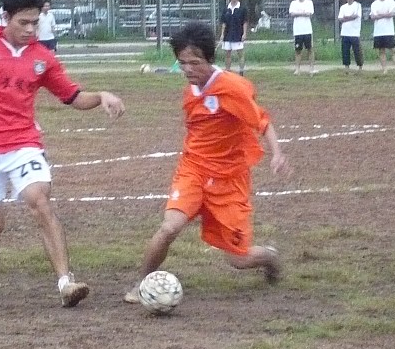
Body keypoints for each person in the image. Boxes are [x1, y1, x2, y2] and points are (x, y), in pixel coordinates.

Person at [0, 0, 125, 308]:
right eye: (23, 22)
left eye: (35, 23)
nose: (30, 29)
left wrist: (100, 97)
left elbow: (72, 97)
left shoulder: (43, 57)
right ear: (5, 18)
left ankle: (66, 283)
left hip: (24, 143)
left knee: (39, 201)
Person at [123, 21, 287, 304]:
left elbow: (262, 122)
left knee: (238, 259)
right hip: (194, 170)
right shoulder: (191, 91)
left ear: (209, 59)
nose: (188, 69)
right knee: (169, 227)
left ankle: (269, 257)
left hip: (228, 180)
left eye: (195, 63)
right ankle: (142, 285)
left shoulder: (231, 88)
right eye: (182, 63)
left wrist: (277, 153)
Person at [369, 0, 395, 74]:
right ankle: (385, 69)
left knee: (393, 50)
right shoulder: (374, 4)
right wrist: (384, 15)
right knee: (381, 51)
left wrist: (380, 15)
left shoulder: (391, 2)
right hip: (378, 32)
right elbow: (373, 16)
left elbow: (391, 14)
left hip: (389, 31)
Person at [219, 0, 248, 74]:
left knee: (240, 54)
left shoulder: (242, 9)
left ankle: (241, 72)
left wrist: (244, 33)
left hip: (238, 34)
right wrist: (222, 34)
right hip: (227, 35)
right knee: (227, 54)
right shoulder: (226, 9)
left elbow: (245, 22)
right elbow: (224, 23)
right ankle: (228, 72)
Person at [336, 0, 364, 72]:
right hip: (345, 32)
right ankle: (346, 67)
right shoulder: (343, 7)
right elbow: (340, 19)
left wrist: (346, 18)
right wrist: (349, 17)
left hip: (354, 33)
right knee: (345, 51)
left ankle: (360, 66)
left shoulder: (358, 5)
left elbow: (355, 16)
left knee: (357, 51)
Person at [289, 0, 315, 75]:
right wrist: (303, 13)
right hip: (298, 31)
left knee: (310, 49)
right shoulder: (293, 3)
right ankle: (297, 69)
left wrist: (299, 13)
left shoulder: (309, 3)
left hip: (307, 30)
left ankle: (311, 68)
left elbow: (310, 13)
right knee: (298, 50)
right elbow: (292, 14)